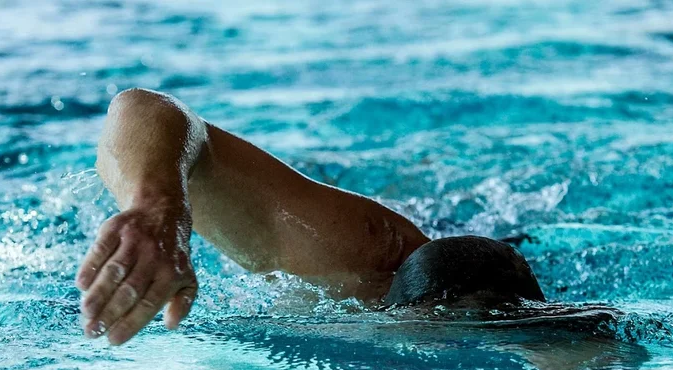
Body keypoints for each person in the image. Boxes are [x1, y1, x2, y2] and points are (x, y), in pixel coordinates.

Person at [76, 88, 548, 346]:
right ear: (387, 310)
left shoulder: (544, 325)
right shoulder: (346, 255)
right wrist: (158, 211)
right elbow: (139, 107)